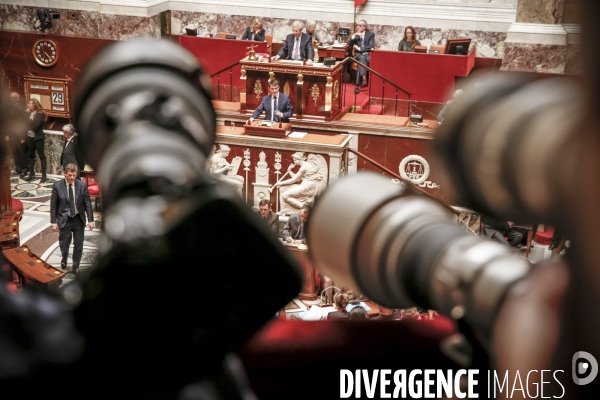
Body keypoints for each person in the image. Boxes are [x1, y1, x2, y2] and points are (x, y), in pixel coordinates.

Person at [50, 163, 95, 275]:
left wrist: (91, 220)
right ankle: (64, 257)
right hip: (64, 219)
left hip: (78, 218)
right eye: (69, 175)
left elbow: (87, 203)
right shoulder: (57, 186)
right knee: (64, 243)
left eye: (74, 175)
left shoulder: (82, 185)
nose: (72, 178)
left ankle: (76, 266)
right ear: (65, 173)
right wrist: (53, 222)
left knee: (78, 243)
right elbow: (53, 205)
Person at [347, 20, 375, 94]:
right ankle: (364, 78)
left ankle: (357, 86)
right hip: (358, 56)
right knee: (361, 59)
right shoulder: (356, 35)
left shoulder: (370, 35)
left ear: (364, 27)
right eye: (357, 25)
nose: (357, 27)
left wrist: (360, 49)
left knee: (361, 62)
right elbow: (348, 44)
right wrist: (353, 36)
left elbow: (371, 46)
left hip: (367, 56)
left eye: (359, 25)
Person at [24, 98, 47, 182]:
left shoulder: (40, 114)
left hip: (38, 138)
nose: (28, 105)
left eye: (30, 103)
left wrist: (29, 122)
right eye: (28, 103)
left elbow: (35, 127)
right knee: (30, 155)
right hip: (29, 137)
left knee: (41, 156)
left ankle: (44, 175)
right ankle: (31, 173)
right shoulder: (27, 113)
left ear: (34, 105)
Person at [5, 92, 27, 176]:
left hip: (19, 134)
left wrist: (23, 137)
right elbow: (6, 122)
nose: (11, 99)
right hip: (11, 134)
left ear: (17, 99)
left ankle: (24, 169)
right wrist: (6, 134)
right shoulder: (8, 108)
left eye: (13, 98)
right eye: (10, 98)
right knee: (14, 152)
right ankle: (18, 168)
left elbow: (24, 124)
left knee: (22, 152)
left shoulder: (21, 108)